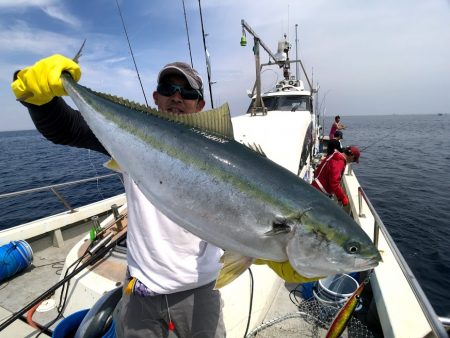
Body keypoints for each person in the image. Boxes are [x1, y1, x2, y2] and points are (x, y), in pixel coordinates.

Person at [11, 54, 317, 338]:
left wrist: (269, 249)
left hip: (200, 296)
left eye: (187, 93)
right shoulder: (134, 140)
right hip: (139, 296)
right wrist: (38, 100)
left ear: (200, 105)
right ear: (156, 98)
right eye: (168, 88)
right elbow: (68, 129)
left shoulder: (232, 159)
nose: (176, 96)